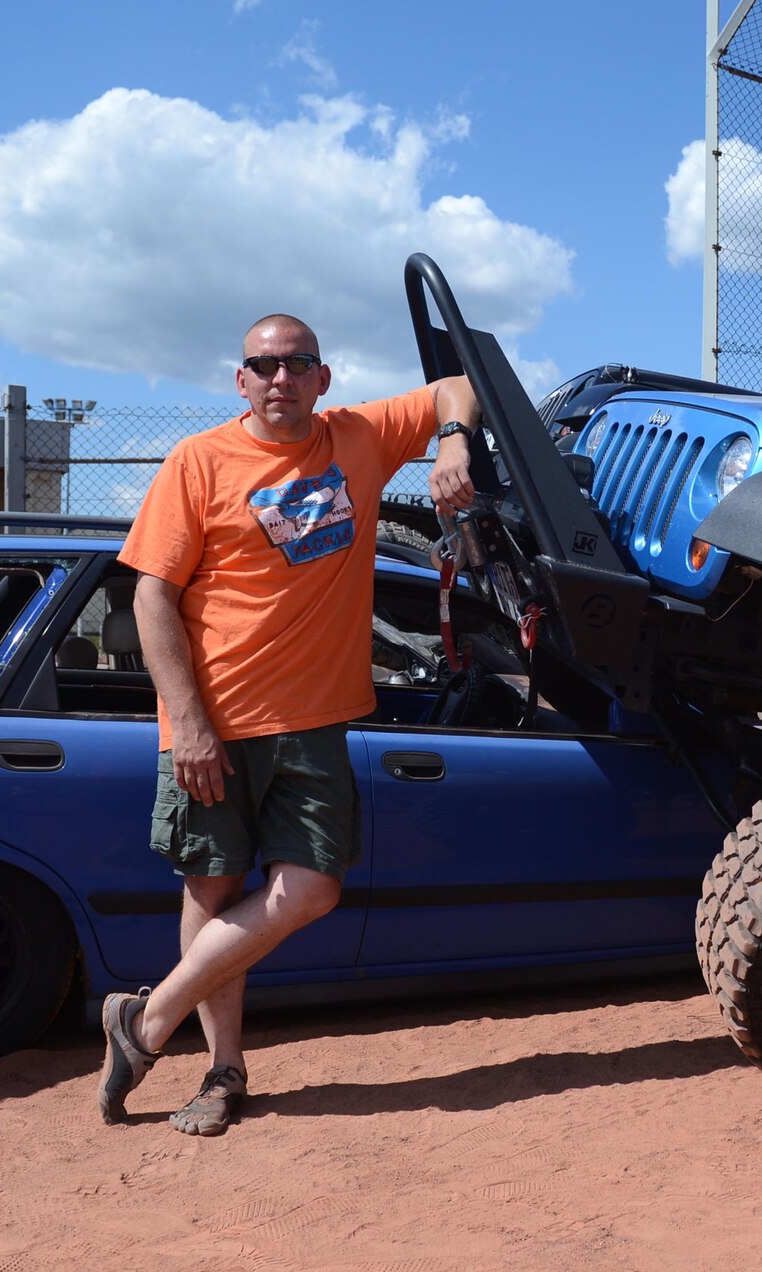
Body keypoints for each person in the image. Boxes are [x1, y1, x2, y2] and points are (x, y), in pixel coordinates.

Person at [96, 313, 478, 1135]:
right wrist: (189, 722)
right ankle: (223, 1071)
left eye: (297, 363)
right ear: (241, 381)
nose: (280, 378)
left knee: (312, 887)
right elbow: (150, 596)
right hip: (213, 723)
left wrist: (452, 444)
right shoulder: (198, 462)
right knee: (213, 886)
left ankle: (146, 1019)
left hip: (314, 722)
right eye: (263, 366)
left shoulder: (361, 437)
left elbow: (458, 385)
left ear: (322, 377)